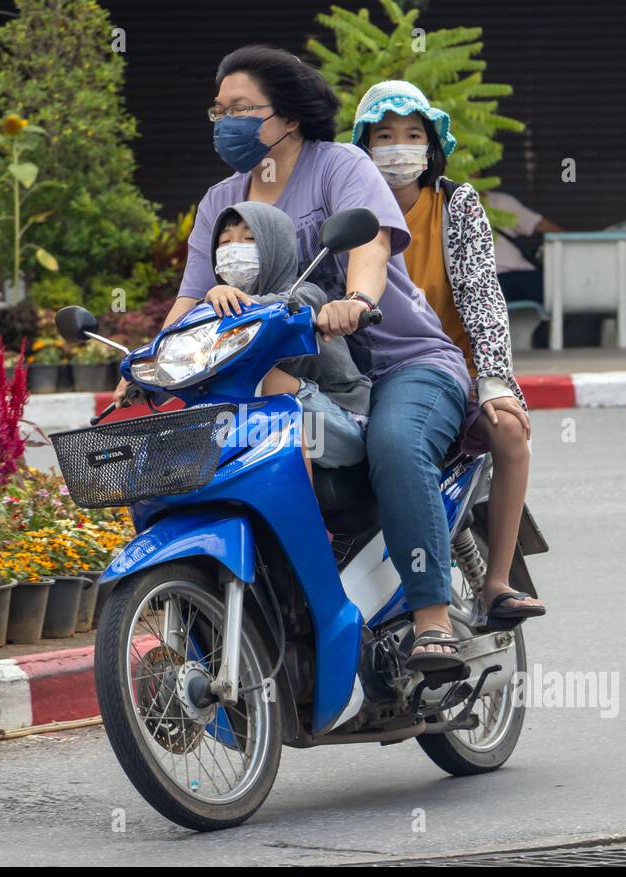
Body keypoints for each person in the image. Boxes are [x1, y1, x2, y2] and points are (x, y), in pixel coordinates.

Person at [113, 45, 472, 672]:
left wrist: (355, 300)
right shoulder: (220, 199)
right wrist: (150, 364)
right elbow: (190, 298)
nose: (225, 121)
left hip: (399, 362)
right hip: (290, 373)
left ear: (290, 115)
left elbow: (370, 248)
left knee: (394, 444)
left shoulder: (342, 167)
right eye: (217, 110)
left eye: (241, 108)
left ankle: (431, 618)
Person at [352, 79, 546, 624]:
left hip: (450, 371)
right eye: (384, 135)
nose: (398, 146)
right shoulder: (347, 209)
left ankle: (498, 582)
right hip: (364, 373)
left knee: (510, 430)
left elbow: (484, 296)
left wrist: (493, 379)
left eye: (412, 134)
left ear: (432, 146)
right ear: (363, 147)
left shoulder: (454, 204)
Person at [204, 200, 370, 477]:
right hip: (278, 419)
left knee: (265, 382)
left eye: (249, 238)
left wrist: (212, 300)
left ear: (276, 246)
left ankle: (306, 518)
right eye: (224, 243)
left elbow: (281, 306)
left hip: (342, 422)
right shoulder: (217, 315)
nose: (234, 249)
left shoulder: (304, 295)